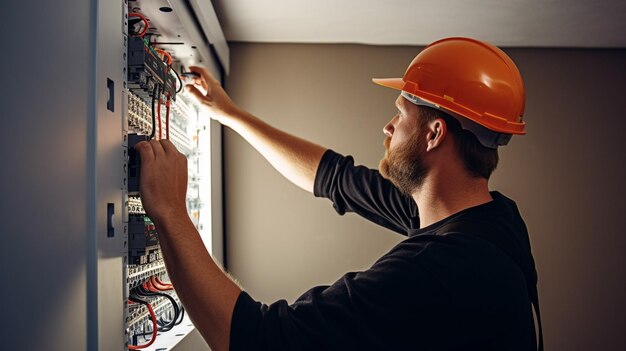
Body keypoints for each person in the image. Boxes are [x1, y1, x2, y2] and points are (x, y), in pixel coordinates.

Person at [135, 37, 542, 351]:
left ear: (434, 134)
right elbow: (335, 178)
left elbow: (257, 341)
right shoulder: (489, 221)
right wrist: (231, 115)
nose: (388, 128)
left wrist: (170, 213)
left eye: (400, 114)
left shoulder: (442, 272)